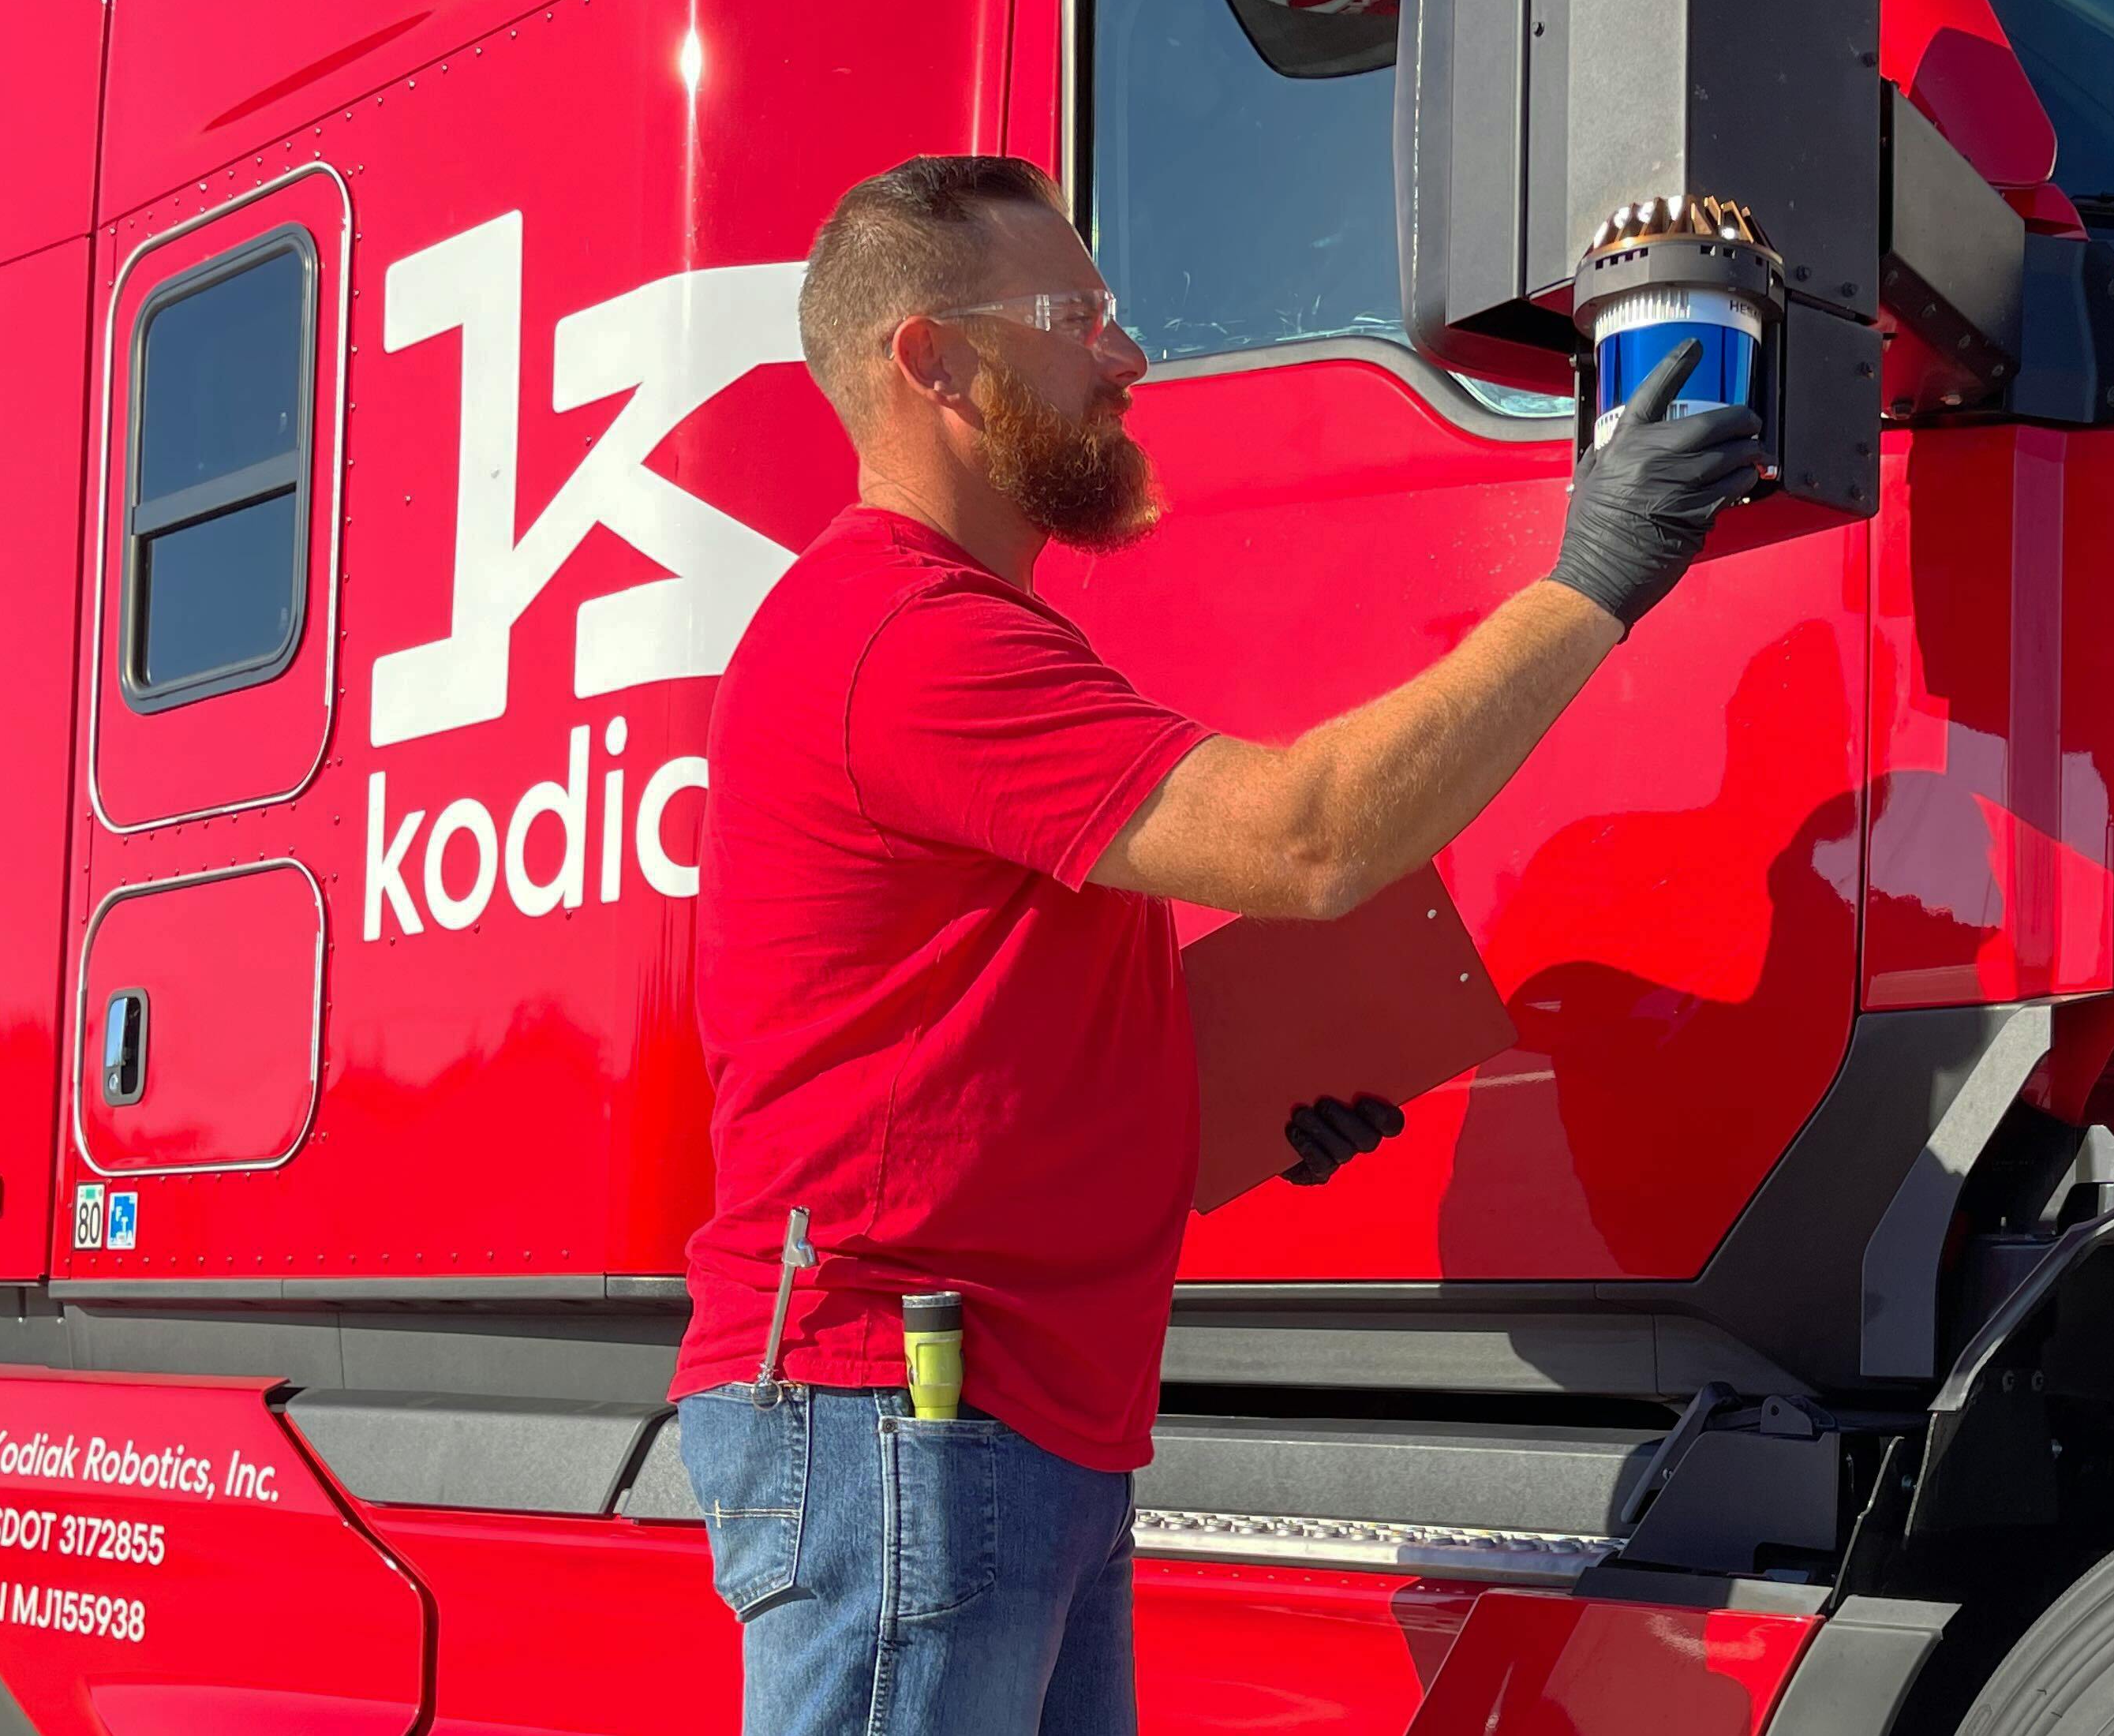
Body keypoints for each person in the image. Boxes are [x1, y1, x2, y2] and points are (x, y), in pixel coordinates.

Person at [670, 154, 1761, 1736]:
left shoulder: (950, 631)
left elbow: (957, 1060)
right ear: (936, 362)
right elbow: (1307, 837)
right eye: (1080, 316)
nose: (1128, 358)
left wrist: (1233, 1101)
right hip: (906, 1413)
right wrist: (1599, 573)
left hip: (994, 1413)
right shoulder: (900, 637)